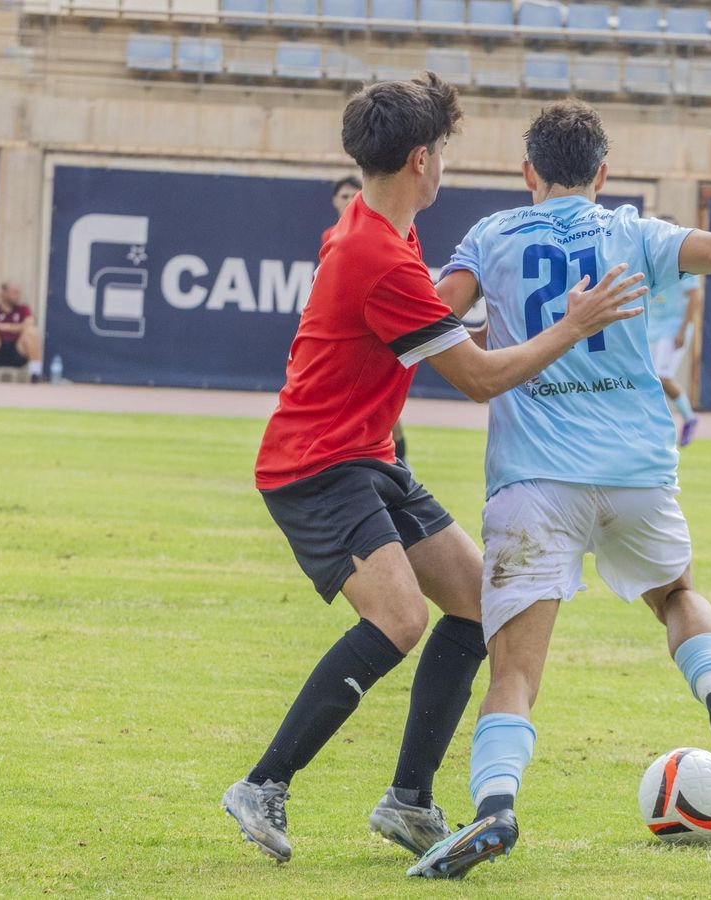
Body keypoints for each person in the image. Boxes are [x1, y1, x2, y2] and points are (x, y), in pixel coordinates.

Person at [406, 99, 711, 880]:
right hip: (638, 473)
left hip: (535, 481)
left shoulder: (491, 237)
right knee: (678, 593)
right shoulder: (633, 232)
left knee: (514, 670)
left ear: (528, 174)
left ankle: (495, 810)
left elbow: (428, 323)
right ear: (604, 174)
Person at [223, 74, 648, 866]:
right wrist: (573, 323)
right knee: (399, 619)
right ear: (423, 158)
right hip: (315, 464)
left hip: (366, 455)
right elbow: (481, 378)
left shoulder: (380, 226)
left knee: (475, 603)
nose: (447, 161)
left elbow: (435, 321)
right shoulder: (379, 253)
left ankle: (408, 801)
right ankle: (263, 784)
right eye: (445, 148)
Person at [325, 174, 412, 462]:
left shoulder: (381, 235)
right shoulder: (332, 237)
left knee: (387, 408)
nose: (349, 200)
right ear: (334, 202)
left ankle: (399, 460)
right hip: (348, 333)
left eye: (354, 195)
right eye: (344, 196)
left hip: (376, 330)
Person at [646, 216, 706, 446]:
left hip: (673, 328)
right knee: (649, 378)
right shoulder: (650, 256)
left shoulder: (684, 259)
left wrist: (682, 329)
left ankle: (688, 418)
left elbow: (694, 297)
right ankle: (654, 426)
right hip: (653, 327)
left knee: (663, 376)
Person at [0, 281, 42, 383]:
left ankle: (35, 375)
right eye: (14, 292)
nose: (17, 295)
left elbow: (29, 324)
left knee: (31, 332)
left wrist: (5, 327)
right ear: (4, 293)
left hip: (18, 352)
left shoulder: (23, 309)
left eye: (18, 292)